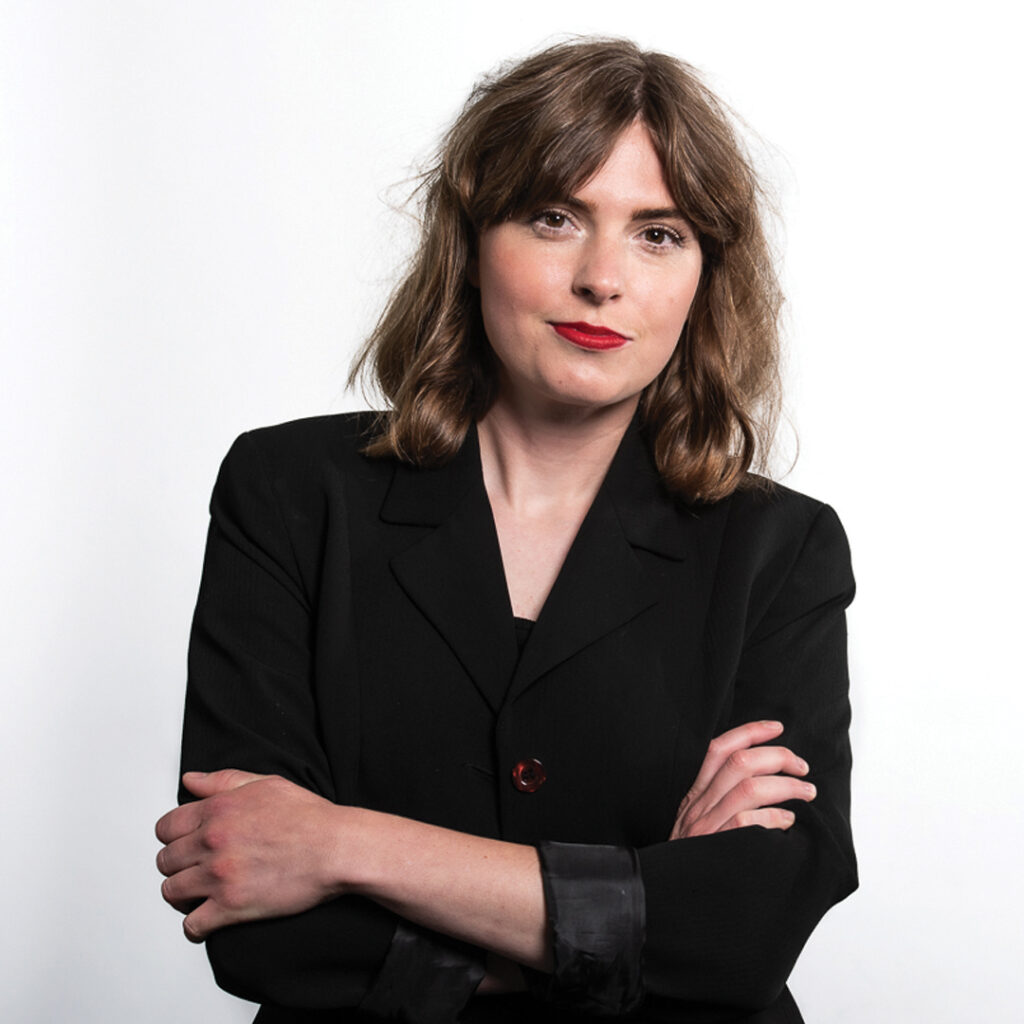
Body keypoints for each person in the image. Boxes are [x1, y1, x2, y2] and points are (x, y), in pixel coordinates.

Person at [155, 38, 856, 1024]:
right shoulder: (288, 493)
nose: (602, 278)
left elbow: (745, 930)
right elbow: (255, 917)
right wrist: (641, 910)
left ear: (705, 275)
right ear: (471, 239)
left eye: (659, 233)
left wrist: (346, 845)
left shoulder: (782, 550)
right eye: (555, 217)